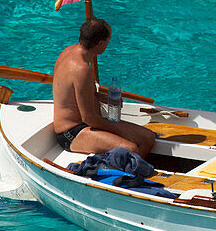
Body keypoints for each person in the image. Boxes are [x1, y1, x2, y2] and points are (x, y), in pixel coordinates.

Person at [52, 18, 156, 156]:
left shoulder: (68, 51)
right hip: (71, 132)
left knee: (148, 137)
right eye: (108, 40)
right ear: (100, 43)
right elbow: (89, 118)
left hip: (85, 125)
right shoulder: (81, 69)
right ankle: (124, 175)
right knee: (131, 149)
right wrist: (121, 131)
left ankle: (131, 171)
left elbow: (79, 93)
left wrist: (104, 98)